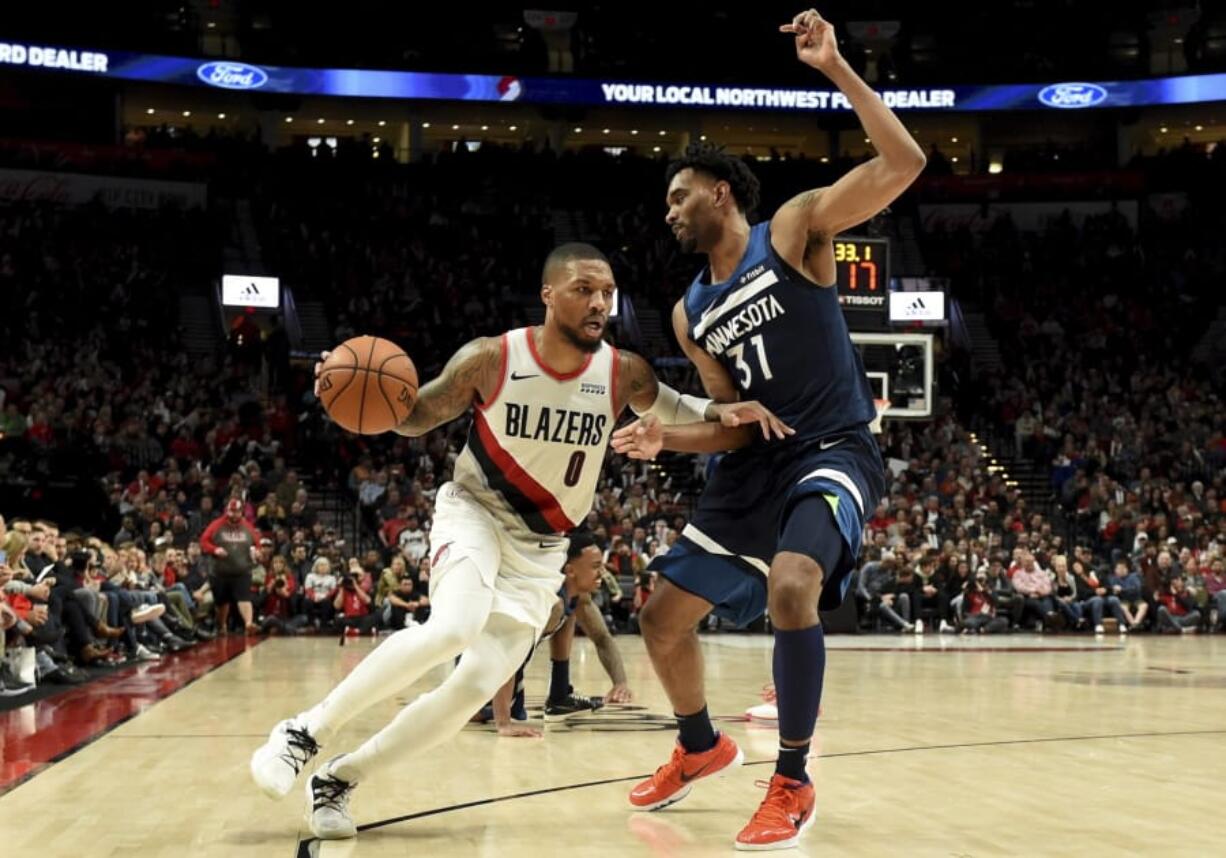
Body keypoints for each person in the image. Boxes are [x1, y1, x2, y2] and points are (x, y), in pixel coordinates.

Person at [249, 242, 779, 840]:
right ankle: (302, 733)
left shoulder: (623, 370)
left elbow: (669, 405)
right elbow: (414, 413)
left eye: (607, 291)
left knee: (472, 688)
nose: (600, 302)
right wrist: (343, 388)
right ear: (548, 295)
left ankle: (340, 779)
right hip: (475, 513)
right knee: (452, 627)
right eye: (584, 289)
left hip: (544, 550)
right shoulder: (493, 359)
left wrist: (719, 411)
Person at [612, 9, 923, 849]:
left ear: (719, 192)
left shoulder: (792, 231)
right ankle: (700, 747)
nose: (668, 212)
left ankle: (791, 779)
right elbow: (735, 428)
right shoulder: (689, 314)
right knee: (658, 618)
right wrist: (667, 439)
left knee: (793, 587)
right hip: (757, 470)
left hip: (833, 448)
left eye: (678, 196)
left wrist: (837, 69)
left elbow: (907, 161)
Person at [483, 530, 634, 736]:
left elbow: (602, 638)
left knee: (568, 614)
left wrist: (620, 683)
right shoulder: (549, 600)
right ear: (570, 570)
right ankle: (474, 703)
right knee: (481, 710)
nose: (602, 573)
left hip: (501, 663)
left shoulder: (577, 596)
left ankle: (559, 695)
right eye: (595, 566)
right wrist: (503, 722)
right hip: (483, 657)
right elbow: (508, 649)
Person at [199, 497, 261, 634]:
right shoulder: (216, 525)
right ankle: (221, 626)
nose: (233, 515)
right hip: (220, 572)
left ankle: (249, 624)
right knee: (222, 603)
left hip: (242, 571)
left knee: (244, 597)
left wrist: (257, 552)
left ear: (241, 512)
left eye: (236, 512)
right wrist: (214, 549)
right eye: (231, 511)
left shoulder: (247, 526)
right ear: (227, 510)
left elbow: (257, 543)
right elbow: (203, 541)